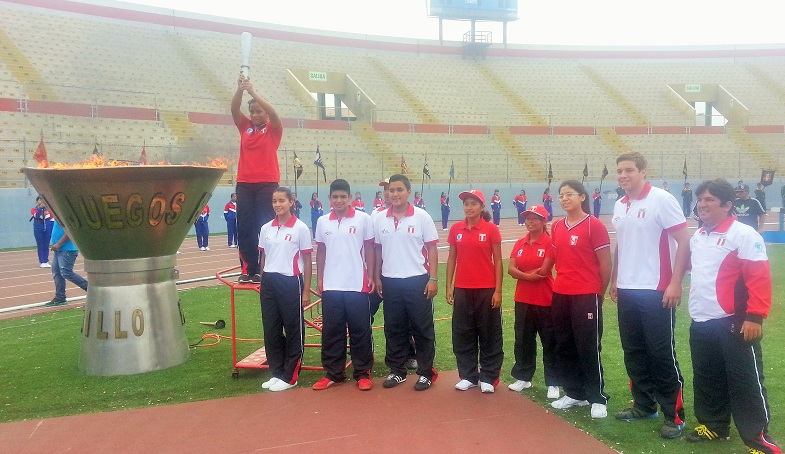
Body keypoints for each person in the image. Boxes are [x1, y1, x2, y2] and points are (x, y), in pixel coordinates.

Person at [683, 178, 780, 454]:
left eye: (709, 200)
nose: (702, 204)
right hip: (702, 321)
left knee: (745, 380)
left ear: (727, 205)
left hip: (735, 322)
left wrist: (755, 317)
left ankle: (757, 437)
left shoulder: (744, 235)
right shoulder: (699, 236)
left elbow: (758, 279)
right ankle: (714, 425)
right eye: (700, 199)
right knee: (707, 377)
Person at [610, 152, 690, 439]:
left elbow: (684, 241)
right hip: (628, 289)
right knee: (634, 351)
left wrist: (675, 282)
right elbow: (621, 244)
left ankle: (674, 415)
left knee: (661, 354)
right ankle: (644, 405)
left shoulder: (661, 199)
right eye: (619, 171)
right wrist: (615, 280)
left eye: (629, 170)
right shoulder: (620, 204)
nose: (623, 175)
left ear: (643, 171)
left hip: (657, 289)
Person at [549, 180, 611, 419]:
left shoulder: (593, 225)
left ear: (582, 197)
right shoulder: (557, 226)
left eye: (569, 195)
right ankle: (574, 393)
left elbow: (605, 263)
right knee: (564, 345)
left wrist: (599, 292)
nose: (564, 199)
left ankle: (596, 397)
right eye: (561, 195)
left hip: (586, 294)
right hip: (561, 292)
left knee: (588, 346)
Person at [374, 174, 439, 391]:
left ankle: (425, 372)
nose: (395, 194)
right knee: (394, 328)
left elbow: (431, 248)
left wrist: (433, 278)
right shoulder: (379, 218)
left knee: (422, 328)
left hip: (417, 281)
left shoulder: (422, 217)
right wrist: (377, 277)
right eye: (391, 190)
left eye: (399, 190)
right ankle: (397, 370)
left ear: (408, 192)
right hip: (390, 280)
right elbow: (377, 250)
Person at [313, 179, 375, 391]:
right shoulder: (323, 222)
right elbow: (321, 251)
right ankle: (333, 373)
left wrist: (372, 275)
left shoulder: (363, 219)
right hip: (331, 285)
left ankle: (362, 373)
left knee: (360, 330)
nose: (339, 200)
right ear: (329, 199)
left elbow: (370, 249)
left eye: (343, 197)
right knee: (332, 331)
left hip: (357, 284)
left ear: (350, 198)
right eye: (335, 197)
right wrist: (319, 277)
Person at [446, 189, 503, 393]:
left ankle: (488, 376)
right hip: (462, 289)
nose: (469, 207)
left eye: (473, 204)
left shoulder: (490, 229)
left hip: (486, 290)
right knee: (463, 334)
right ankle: (468, 375)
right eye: (466, 204)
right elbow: (452, 259)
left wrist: (498, 290)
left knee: (489, 334)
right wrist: (449, 287)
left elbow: (498, 261)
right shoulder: (456, 229)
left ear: (481, 206)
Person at [258, 187, 313, 392]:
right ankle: (277, 371)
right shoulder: (266, 228)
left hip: (291, 281)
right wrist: (263, 282)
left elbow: (307, 261)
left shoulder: (300, 228)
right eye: (274, 201)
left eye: (282, 200)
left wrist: (306, 290)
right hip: (270, 282)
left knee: (293, 330)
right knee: (271, 329)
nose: (278, 205)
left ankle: (291, 376)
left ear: (291, 202)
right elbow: (264, 257)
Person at [231, 74, 283, 284]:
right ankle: (248, 268)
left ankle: (263, 267)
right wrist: (240, 90)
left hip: (267, 183)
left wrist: (252, 92)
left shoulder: (273, 129)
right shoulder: (245, 127)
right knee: (244, 227)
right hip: (244, 183)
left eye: (258, 111)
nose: (254, 115)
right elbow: (234, 110)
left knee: (264, 226)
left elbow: (274, 113)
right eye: (252, 111)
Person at [507, 205, 560, 400]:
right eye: (527, 218)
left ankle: (553, 382)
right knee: (523, 340)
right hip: (522, 299)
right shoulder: (520, 243)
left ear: (544, 221)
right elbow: (510, 269)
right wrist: (528, 276)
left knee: (549, 342)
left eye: (534, 218)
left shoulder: (550, 243)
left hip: (545, 300)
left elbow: (544, 272)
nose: (530, 221)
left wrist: (521, 276)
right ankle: (523, 377)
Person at [46, 217, 88, 307]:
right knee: (57, 273)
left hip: (67, 249)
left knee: (66, 272)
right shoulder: (57, 215)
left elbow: (69, 231)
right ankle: (60, 297)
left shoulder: (63, 216)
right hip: (59, 249)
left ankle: (88, 287)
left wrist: (59, 243)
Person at [30, 196, 52, 268]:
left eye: (43, 200)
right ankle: (42, 261)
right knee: (40, 245)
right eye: (40, 200)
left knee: (46, 245)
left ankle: (46, 260)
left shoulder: (48, 209)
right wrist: (40, 208)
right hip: (38, 229)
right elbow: (37, 216)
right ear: (37, 201)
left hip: (47, 229)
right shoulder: (34, 209)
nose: (42, 201)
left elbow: (52, 219)